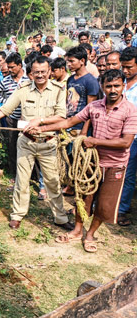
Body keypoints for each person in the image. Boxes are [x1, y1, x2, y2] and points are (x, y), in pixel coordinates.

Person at [36, 69, 137, 252]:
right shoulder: (94, 106)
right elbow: (68, 122)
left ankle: (90, 234)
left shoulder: (130, 110)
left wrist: (95, 141)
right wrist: (41, 128)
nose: (113, 90)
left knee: (105, 204)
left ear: (123, 86)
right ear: (102, 86)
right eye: (109, 86)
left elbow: (126, 142)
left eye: (116, 86)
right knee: (83, 198)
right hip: (92, 163)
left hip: (115, 165)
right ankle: (77, 231)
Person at [0, 56, 71, 230]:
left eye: (43, 72)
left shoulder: (58, 89)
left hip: (48, 143)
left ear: (49, 71)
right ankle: (17, 215)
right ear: (30, 73)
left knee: (53, 182)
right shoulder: (23, 89)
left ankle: (60, 218)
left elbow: (61, 116)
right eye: (36, 72)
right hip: (26, 143)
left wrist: (39, 121)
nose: (40, 75)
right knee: (22, 181)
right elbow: (4, 110)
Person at [0, 52, 29, 175]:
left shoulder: (28, 80)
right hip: (12, 118)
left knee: (27, 145)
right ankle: (14, 172)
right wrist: (7, 102)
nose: (10, 70)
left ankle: (29, 172)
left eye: (12, 67)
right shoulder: (6, 81)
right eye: (9, 67)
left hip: (27, 119)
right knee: (12, 145)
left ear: (19, 65)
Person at [118, 47, 137, 225]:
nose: (125, 71)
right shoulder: (118, 82)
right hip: (120, 136)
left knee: (129, 176)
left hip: (134, 137)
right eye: (123, 67)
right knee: (122, 173)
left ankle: (122, 208)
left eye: (129, 67)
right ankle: (120, 208)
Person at [65, 46, 100, 134]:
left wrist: (84, 130)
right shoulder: (71, 79)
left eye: (72, 61)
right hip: (69, 124)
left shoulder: (90, 81)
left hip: (80, 126)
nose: (69, 64)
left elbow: (91, 109)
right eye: (68, 61)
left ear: (82, 61)